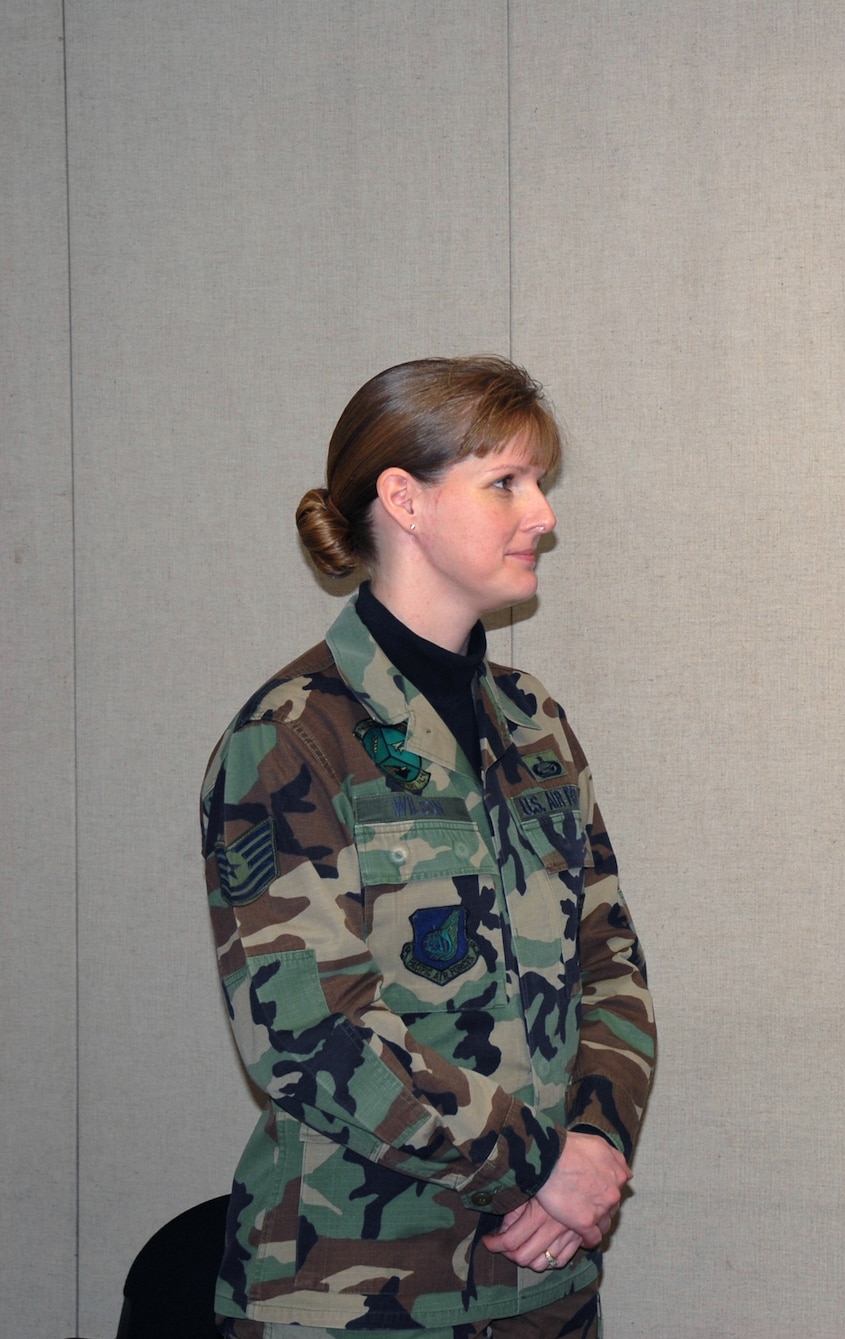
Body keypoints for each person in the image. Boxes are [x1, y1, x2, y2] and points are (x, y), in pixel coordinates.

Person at [200, 357, 657, 1338]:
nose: (542, 516)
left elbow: (608, 961)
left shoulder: (533, 724)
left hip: (543, 1286)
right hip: (352, 1294)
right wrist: (544, 1165)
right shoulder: (294, 738)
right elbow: (309, 1032)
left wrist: (593, 1140)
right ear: (402, 500)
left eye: (538, 484)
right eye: (506, 484)